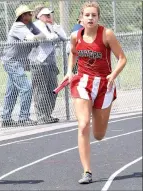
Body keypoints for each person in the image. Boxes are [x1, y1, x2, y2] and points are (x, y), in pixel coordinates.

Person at [61, 1, 127, 184]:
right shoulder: (75, 36)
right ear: (81, 18)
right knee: (83, 125)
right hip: (82, 81)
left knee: (98, 134)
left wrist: (113, 74)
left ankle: (101, 118)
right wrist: (69, 71)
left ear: (98, 18)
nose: (90, 18)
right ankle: (87, 171)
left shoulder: (107, 34)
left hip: (104, 84)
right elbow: (73, 53)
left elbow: (122, 58)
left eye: (94, 15)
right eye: (87, 15)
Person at [1, 5, 45, 127]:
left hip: (17, 63)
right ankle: (23, 118)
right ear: (22, 16)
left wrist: (35, 38)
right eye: (27, 14)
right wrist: (35, 38)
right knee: (26, 88)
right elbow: (32, 39)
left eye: (30, 14)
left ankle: (6, 118)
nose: (30, 16)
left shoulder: (29, 25)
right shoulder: (18, 26)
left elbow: (42, 36)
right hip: (12, 62)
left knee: (12, 91)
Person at [30, 5, 67, 124]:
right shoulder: (35, 25)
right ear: (39, 16)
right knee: (40, 91)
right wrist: (54, 36)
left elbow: (63, 37)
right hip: (39, 63)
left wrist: (55, 25)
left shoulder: (52, 26)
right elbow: (47, 37)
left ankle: (48, 114)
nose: (49, 17)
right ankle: (41, 117)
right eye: (46, 15)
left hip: (50, 63)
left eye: (50, 15)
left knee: (53, 89)